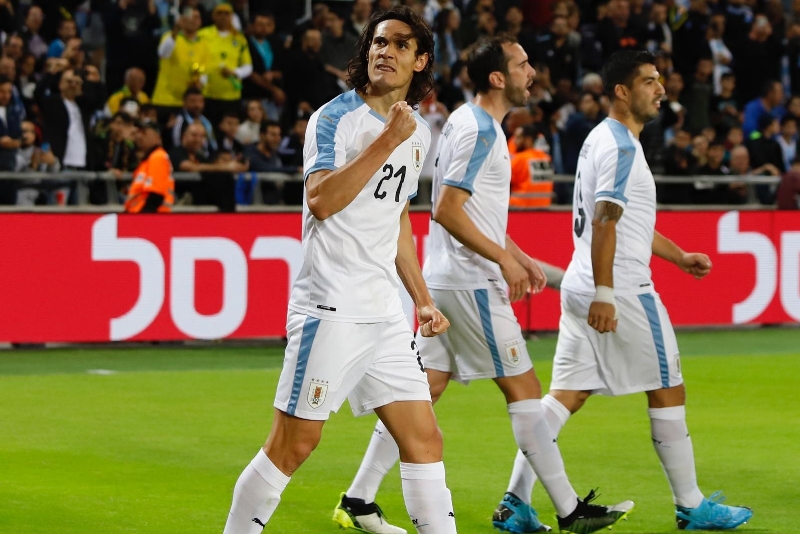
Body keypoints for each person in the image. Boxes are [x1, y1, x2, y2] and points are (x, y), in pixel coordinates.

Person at [333, 34, 634, 534]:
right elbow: (448, 209)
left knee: (422, 390)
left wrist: (516, 254)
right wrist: (502, 260)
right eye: (522, 65)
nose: (531, 72)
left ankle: (359, 498)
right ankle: (567, 510)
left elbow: (469, 210)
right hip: (470, 283)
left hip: (451, 278)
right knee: (525, 388)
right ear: (498, 78)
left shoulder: (471, 124)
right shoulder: (483, 132)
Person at [221, 9, 458, 532]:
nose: (385, 52)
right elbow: (322, 199)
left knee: (423, 440)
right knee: (294, 444)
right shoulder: (334, 119)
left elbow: (397, 216)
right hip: (331, 305)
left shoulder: (415, 132)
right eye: (379, 42)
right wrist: (385, 142)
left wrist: (420, 298)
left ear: (420, 61)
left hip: (386, 312)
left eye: (400, 45)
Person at [497, 50, 754, 532]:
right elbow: (606, 221)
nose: (661, 89)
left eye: (660, 80)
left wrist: (678, 257)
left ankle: (515, 501)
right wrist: (608, 294)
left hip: (580, 284)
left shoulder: (605, 140)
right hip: (622, 289)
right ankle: (690, 504)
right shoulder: (619, 147)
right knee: (667, 386)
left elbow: (628, 221)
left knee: (565, 396)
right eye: (650, 81)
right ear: (622, 91)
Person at [124, 121, 174, 213]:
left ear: (157, 137)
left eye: (144, 132)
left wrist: (143, 218)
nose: (140, 136)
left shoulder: (158, 157)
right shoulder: (147, 160)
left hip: (153, 217)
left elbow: (156, 195)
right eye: (139, 132)